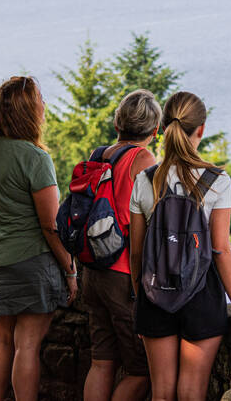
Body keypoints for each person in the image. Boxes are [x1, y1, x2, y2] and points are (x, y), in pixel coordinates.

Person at [129, 91, 231, 401]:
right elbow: (220, 249)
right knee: (191, 392)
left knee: (161, 393)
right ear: (201, 130)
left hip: (154, 294)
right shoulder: (216, 181)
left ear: (163, 127)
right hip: (201, 295)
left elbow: (137, 251)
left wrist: (141, 294)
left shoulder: (145, 180)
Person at [0, 76, 78, 401]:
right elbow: (51, 225)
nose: (45, 106)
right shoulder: (35, 158)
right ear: (29, 111)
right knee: (27, 345)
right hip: (30, 260)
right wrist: (70, 269)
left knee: (2, 338)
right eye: (40, 101)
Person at [82, 89, 161, 401]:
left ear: (118, 124)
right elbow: (154, 220)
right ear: (155, 132)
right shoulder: (144, 160)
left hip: (92, 271)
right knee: (141, 369)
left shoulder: (98, 155)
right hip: (122, 275)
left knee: (101, 362)